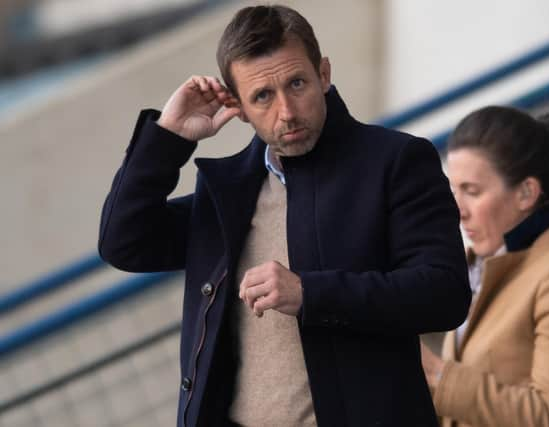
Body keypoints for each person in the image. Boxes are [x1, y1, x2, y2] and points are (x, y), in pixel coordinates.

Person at [98, 5, 471, 426]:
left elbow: (444, 293)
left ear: (324, 74)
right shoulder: (230, 192)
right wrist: (168, 138)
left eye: (297, 83)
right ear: (237, 105)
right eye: (262, 96)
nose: (287, 112)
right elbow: (124, 242)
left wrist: (309, 293)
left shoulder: (396, 161)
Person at [421, 106, 549, 427]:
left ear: (527, 192)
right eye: (453, 190)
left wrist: (437, 375)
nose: (458, 210)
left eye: (472, 191)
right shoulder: (482, 263)